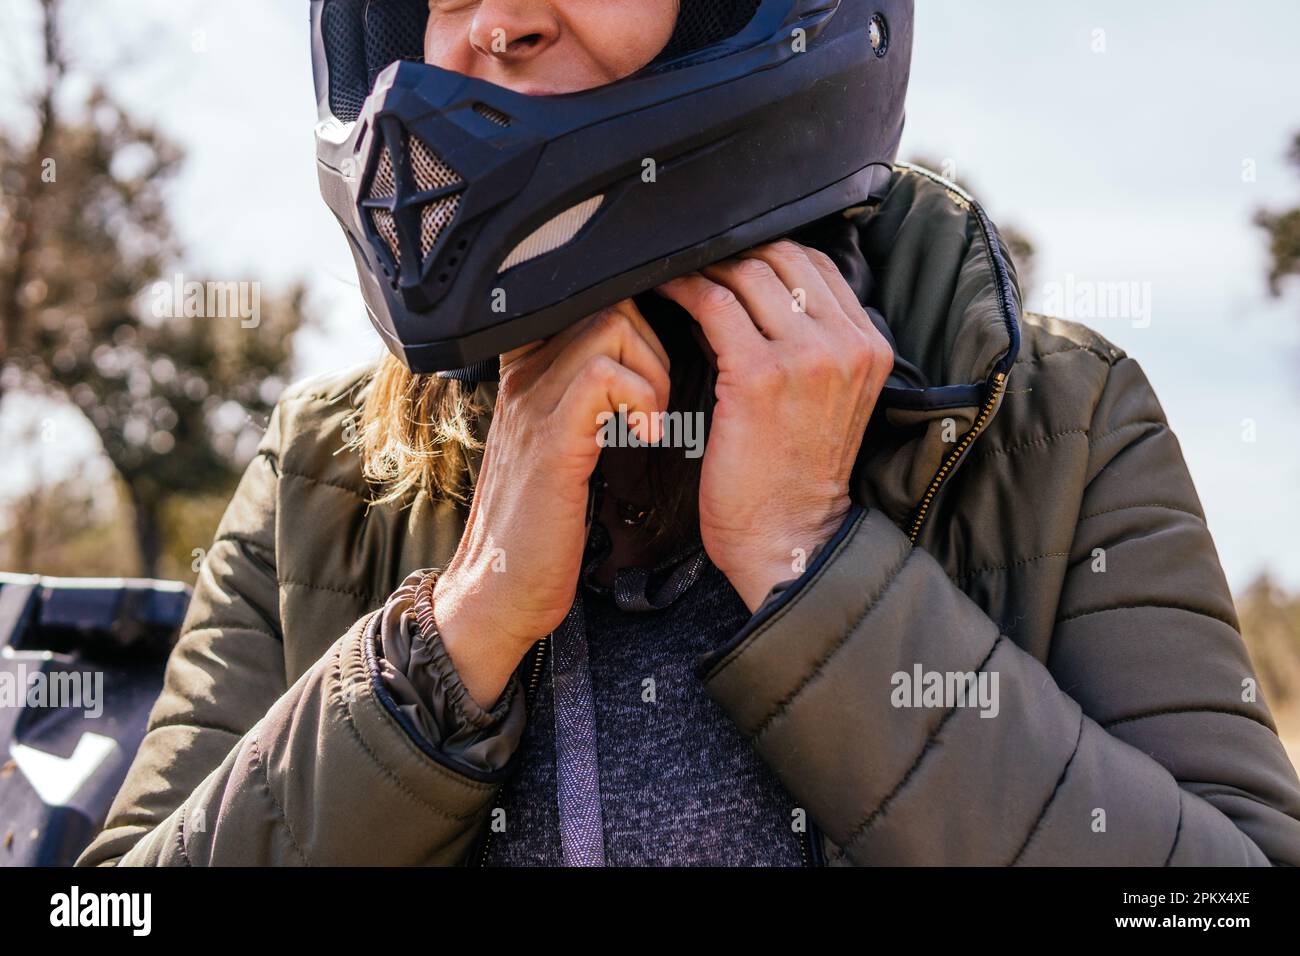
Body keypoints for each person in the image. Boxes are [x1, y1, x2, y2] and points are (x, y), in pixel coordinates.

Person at [79, 0, 1300, 867]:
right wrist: (456, 635)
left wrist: (813, 566)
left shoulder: (1048, 419)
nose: (482, 23)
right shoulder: (327, 470)